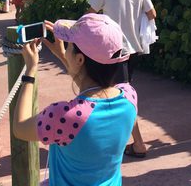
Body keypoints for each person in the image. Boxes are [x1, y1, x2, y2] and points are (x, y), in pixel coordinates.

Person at [12, 13, 137, 185]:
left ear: (79, 59)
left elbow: (20, 128)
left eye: (69, 46)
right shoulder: (129, 97)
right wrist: (64, 56)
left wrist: (30, 71)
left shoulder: (64, 116)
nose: (66, 48)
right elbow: (94, 88)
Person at [88, 0, 156, 158]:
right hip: (133, 49)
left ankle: (139, 144)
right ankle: (118, 138)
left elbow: (89, 14)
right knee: (117, 92)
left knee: (122, 96)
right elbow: (152, 14)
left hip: (113, 50)